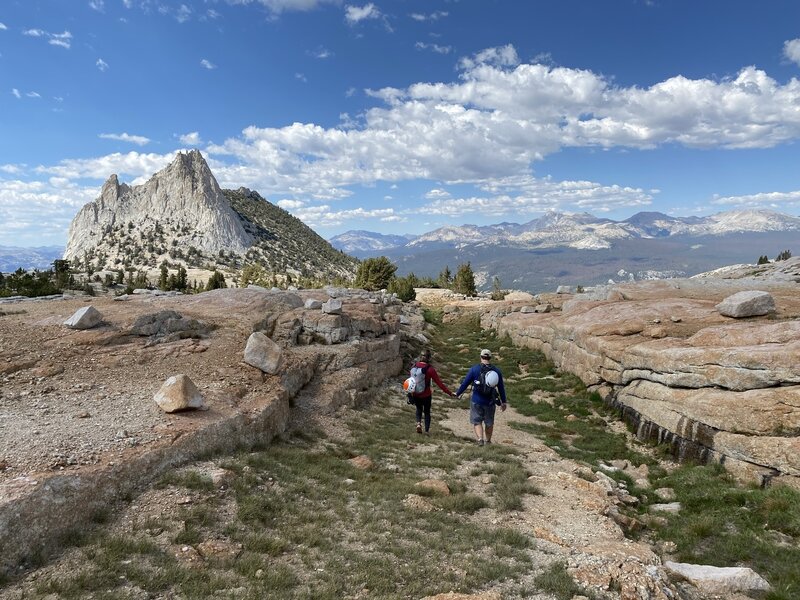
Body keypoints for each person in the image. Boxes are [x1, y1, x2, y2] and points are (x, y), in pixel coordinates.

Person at [456, 348, 507, 445]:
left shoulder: (474, 369)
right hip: (490, 402)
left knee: (477, 421)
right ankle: (488, 441)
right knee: (489, 423)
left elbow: (465, 383)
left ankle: (480, 439)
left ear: (481, 357)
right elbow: (501, 388)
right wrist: (503, 402)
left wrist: (458, 393)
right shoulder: (496, 371)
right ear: (490, 358)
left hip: (477, 400)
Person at [408, 349, 455, 434]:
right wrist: (449, 393)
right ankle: (426, 431)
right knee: (427, 412)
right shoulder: (430, 369)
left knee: (418, 409)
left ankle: (418, 424)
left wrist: (409, 394)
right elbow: (439, 384)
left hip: (415, 393)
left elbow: (410, 381)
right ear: (429, 358)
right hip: (426, 395)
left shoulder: (414, 367)